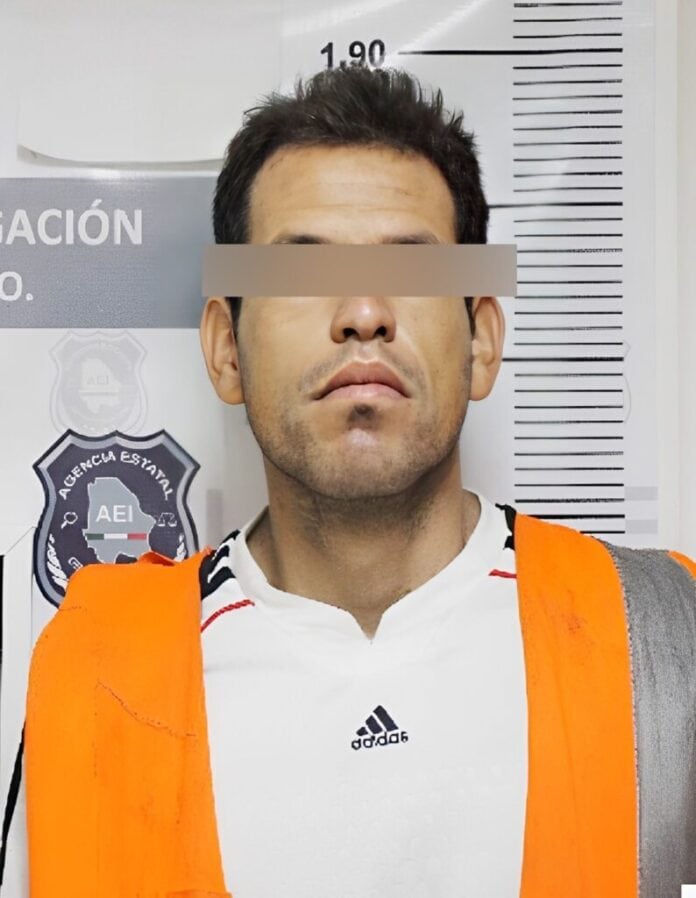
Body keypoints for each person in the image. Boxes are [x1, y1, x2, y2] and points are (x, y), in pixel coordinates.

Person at [2, 63, 696, 898]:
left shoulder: (667, 641)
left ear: (482, 341)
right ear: (226, 348)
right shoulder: (93, 674)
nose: (364, 313)